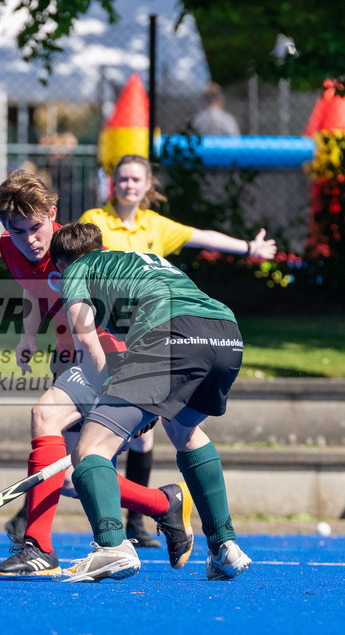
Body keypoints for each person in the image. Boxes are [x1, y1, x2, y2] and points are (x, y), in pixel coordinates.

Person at [0, 169, 193, 577]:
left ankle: (39, 548)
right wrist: (29, 336)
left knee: (49, 421)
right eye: (18, 229)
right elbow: (33, 290)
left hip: (113, 355)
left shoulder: (79, 252)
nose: (30, 240)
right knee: (66, 474)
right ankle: (162, 504)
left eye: (36, 227)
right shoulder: (11, 248)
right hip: (75, 359)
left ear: (53, 213)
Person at [79, 153, 276, 544]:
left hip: (158, 336)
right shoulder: (95, 221)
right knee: (160, 428)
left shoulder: (156, 226)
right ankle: (217, 540)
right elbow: (78, 263)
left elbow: (202, 236)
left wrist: (248, 248)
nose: (129, 186)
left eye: (136, 179)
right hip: (125, 334)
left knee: (118, 440)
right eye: (122, 179)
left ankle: (129, 528)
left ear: (147, 185)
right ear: (112, 184)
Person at [49, 222, 251, 582]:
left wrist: (102, 411)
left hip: (173, 334)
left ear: (61, 265)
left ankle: (112, 547)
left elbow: (87, 343)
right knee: (185, 428)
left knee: (90, 446)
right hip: (225, 333)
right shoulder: (140, 261)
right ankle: (224, 546)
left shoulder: (75, 270)